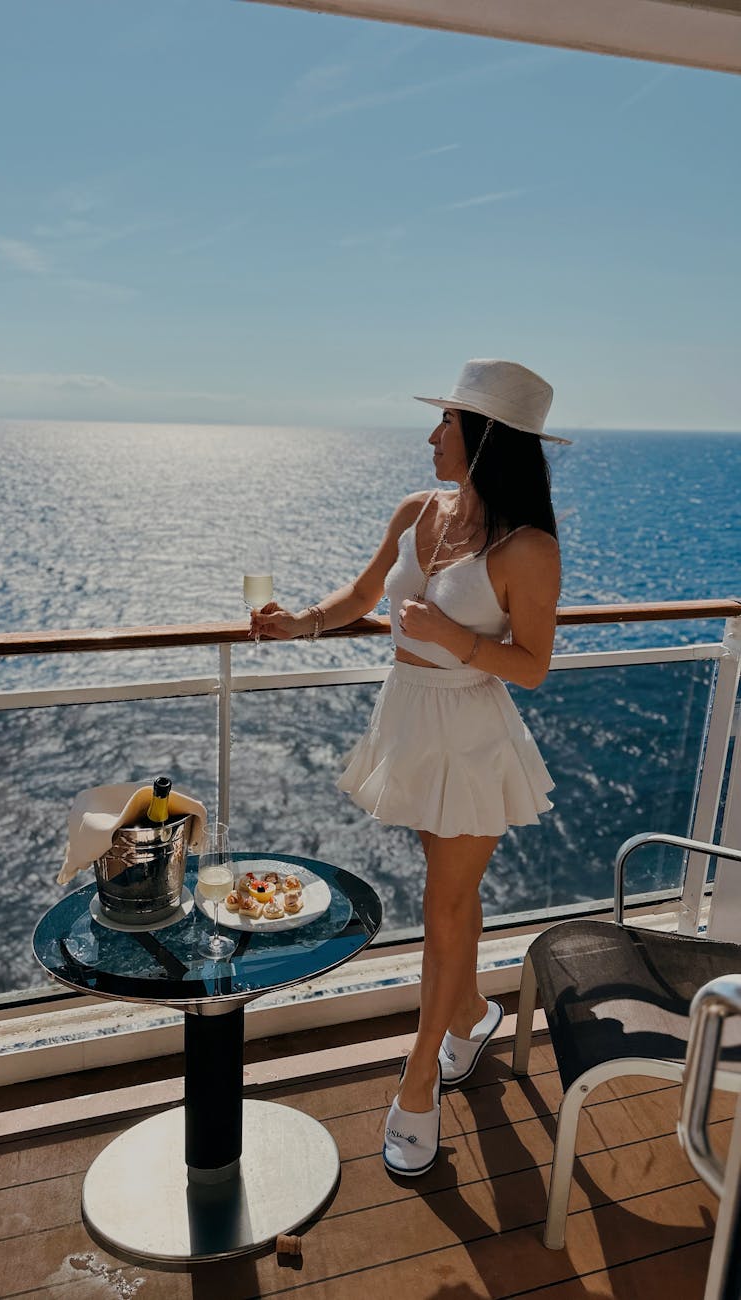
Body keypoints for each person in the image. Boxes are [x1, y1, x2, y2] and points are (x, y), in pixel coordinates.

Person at [250, 358, 569, 1178]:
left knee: (442, 906)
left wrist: (452, 636)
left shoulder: (526, 546)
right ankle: (467, 1012)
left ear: (485, 441)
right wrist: (301, 625)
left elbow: (532, 664)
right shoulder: (416, 508)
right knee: (449, 894)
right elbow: (363, 597)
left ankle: (419, 1080)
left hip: (467, 731)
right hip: (407, 718)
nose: (431, 437)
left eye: (447, 425)